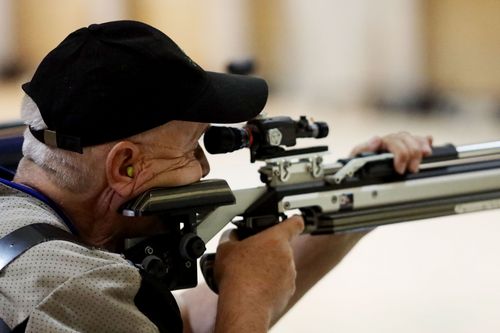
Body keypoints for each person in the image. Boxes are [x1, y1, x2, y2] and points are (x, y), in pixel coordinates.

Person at [0, 20, 433, 332]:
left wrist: (351, 207)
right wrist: (249, 305)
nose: (204, 168)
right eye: (193, 148)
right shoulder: (70, 287)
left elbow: (177, 324)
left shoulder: (23, 223)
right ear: (126, 167)